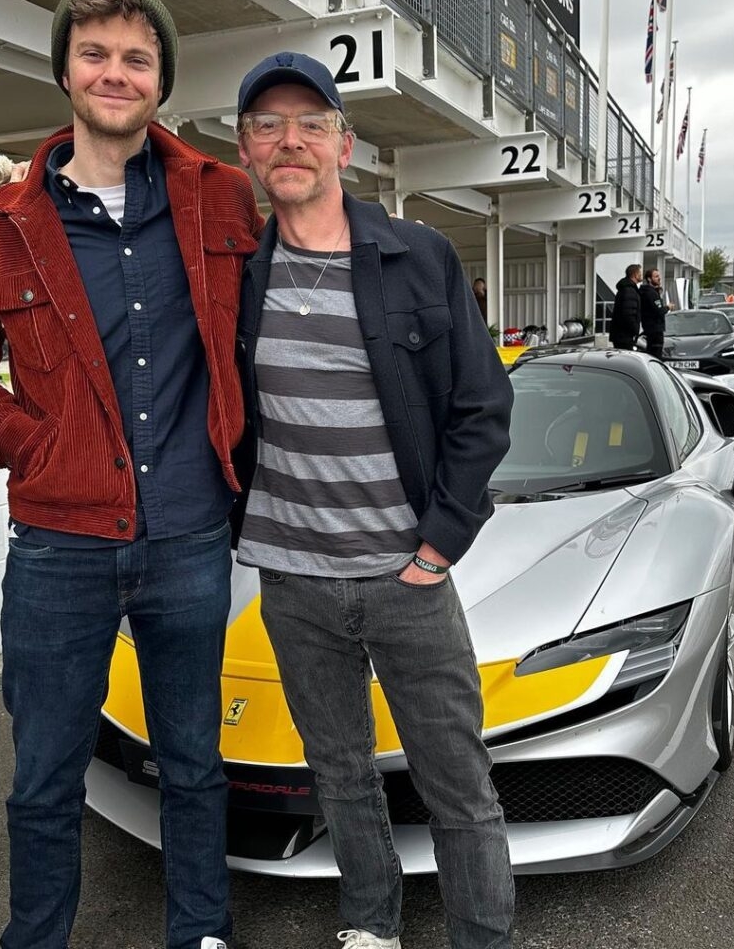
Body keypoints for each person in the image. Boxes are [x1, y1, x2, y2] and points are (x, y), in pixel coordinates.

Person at [0, 0, 262, 949]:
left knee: (194, 760)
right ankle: (38, 936)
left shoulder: (221, 199)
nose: (116, 72)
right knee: (45, 775)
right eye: (97, 53)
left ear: (162, 79)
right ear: (65, 68)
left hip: (192, 535)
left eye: (137, 57)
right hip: (59, 542)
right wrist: (32, 443)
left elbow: (264, 337)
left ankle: (200, 928)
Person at [231, 52, 516, 949]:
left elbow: (483, 407)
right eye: (269, 125)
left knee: (455, 780)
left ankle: (482, 936)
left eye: (311, 124)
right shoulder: (235, 272)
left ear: (344, 146)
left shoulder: (417, 256)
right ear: (245, 147)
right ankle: (370, 926)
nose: (292, 141)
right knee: (340, 771)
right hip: (295, 584)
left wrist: (437, 546)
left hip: (409, 581)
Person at [609, 262, 642, 350]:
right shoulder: (629, 290)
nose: (641, 275)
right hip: (624, 335)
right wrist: (635, 329)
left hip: (621, 334)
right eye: (640, 273)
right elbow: (628, 313)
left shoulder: (626, 289)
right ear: (635, 274)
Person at [639, 266, 670, 359]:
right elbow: (659, 311)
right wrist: (668, 307)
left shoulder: (648, 292)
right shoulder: (651, 293)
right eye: (656, 276)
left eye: (658, 276)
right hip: (655, 329)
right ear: (649, 279)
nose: (659, 278)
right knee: (656, 355)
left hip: (650, 328)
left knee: (651, 353)